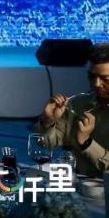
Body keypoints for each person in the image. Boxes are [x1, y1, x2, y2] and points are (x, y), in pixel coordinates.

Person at [37, 43, 109, 176]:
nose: (96, 84)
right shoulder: (78, 104)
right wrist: (48, 121)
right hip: (77, 184)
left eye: (105, 79)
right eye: (92, 76)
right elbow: (45, 145)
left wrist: (87, 142)